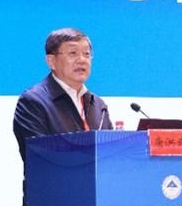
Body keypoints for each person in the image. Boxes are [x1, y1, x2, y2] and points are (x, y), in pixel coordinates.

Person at [13, 28, 113, 160]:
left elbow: (112, 153)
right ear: (51, 61)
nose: (82, 60)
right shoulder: (33, 102)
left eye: (86, 54)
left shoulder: (98, 105)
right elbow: (40, 156)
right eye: (73, 53)